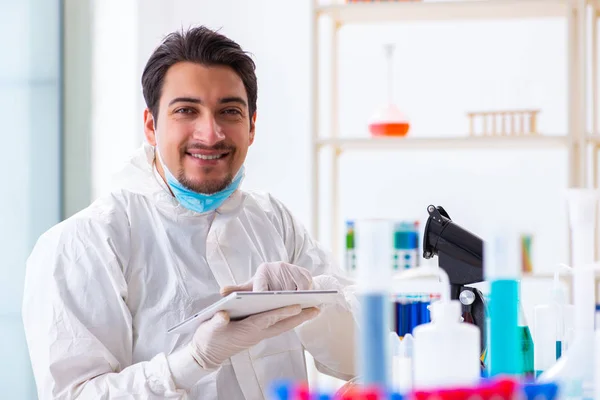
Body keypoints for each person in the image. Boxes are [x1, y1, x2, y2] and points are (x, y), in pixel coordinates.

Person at [22, 26, 358, 399]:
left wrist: (312, 300)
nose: (210, 134)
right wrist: (195, 359)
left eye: (229, 111)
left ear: (251, 127)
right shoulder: (87, 242)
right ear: (151, 126)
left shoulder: (274, 220)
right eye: (186, 110)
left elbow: (356, 359)